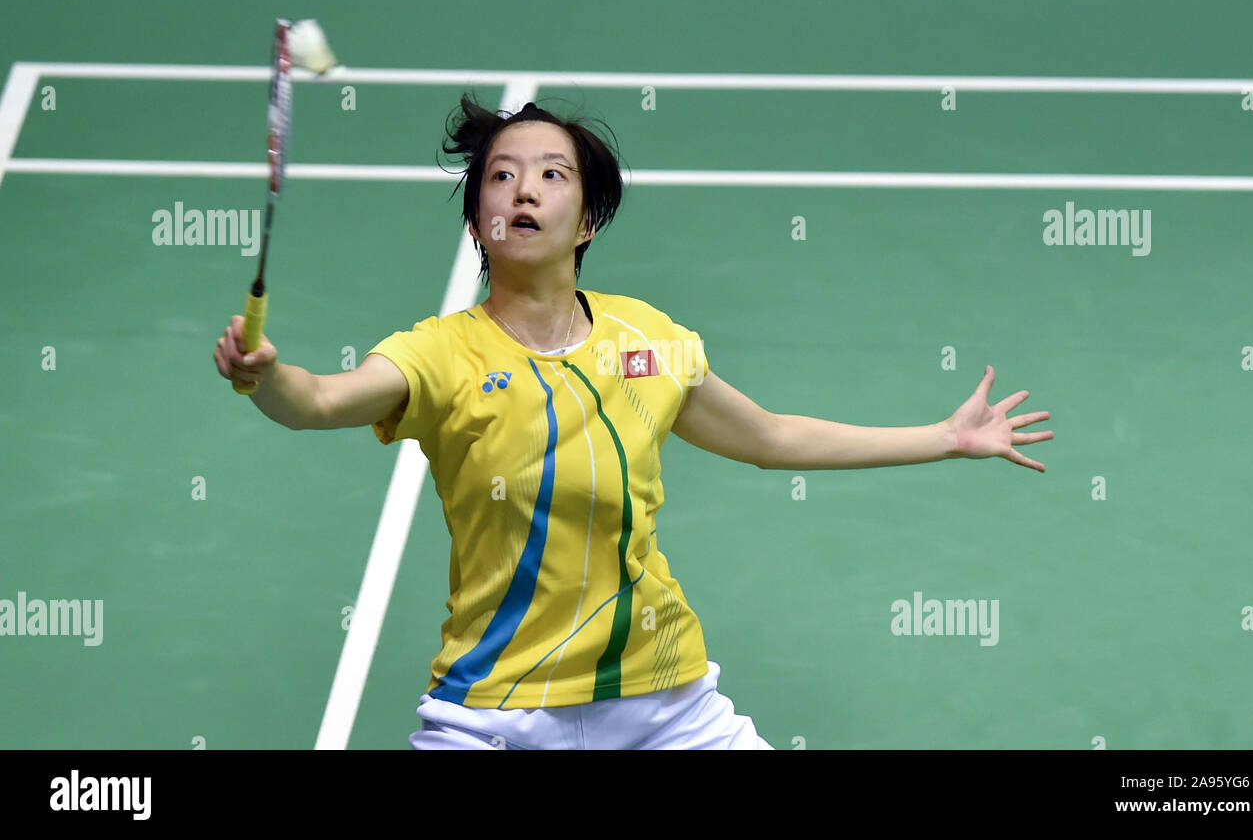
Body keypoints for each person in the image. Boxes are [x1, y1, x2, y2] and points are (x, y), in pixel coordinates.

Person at [213, 95, 1054, 750]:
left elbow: (769, 438)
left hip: (663, 702)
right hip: (500, 710)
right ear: (478, 224)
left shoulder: (646, 339)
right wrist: (266, 375)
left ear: (586, 221)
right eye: (502, 177)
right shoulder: (439, 354)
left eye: (552, 174)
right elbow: (319, 401)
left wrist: (944, 437)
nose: (525, 187)